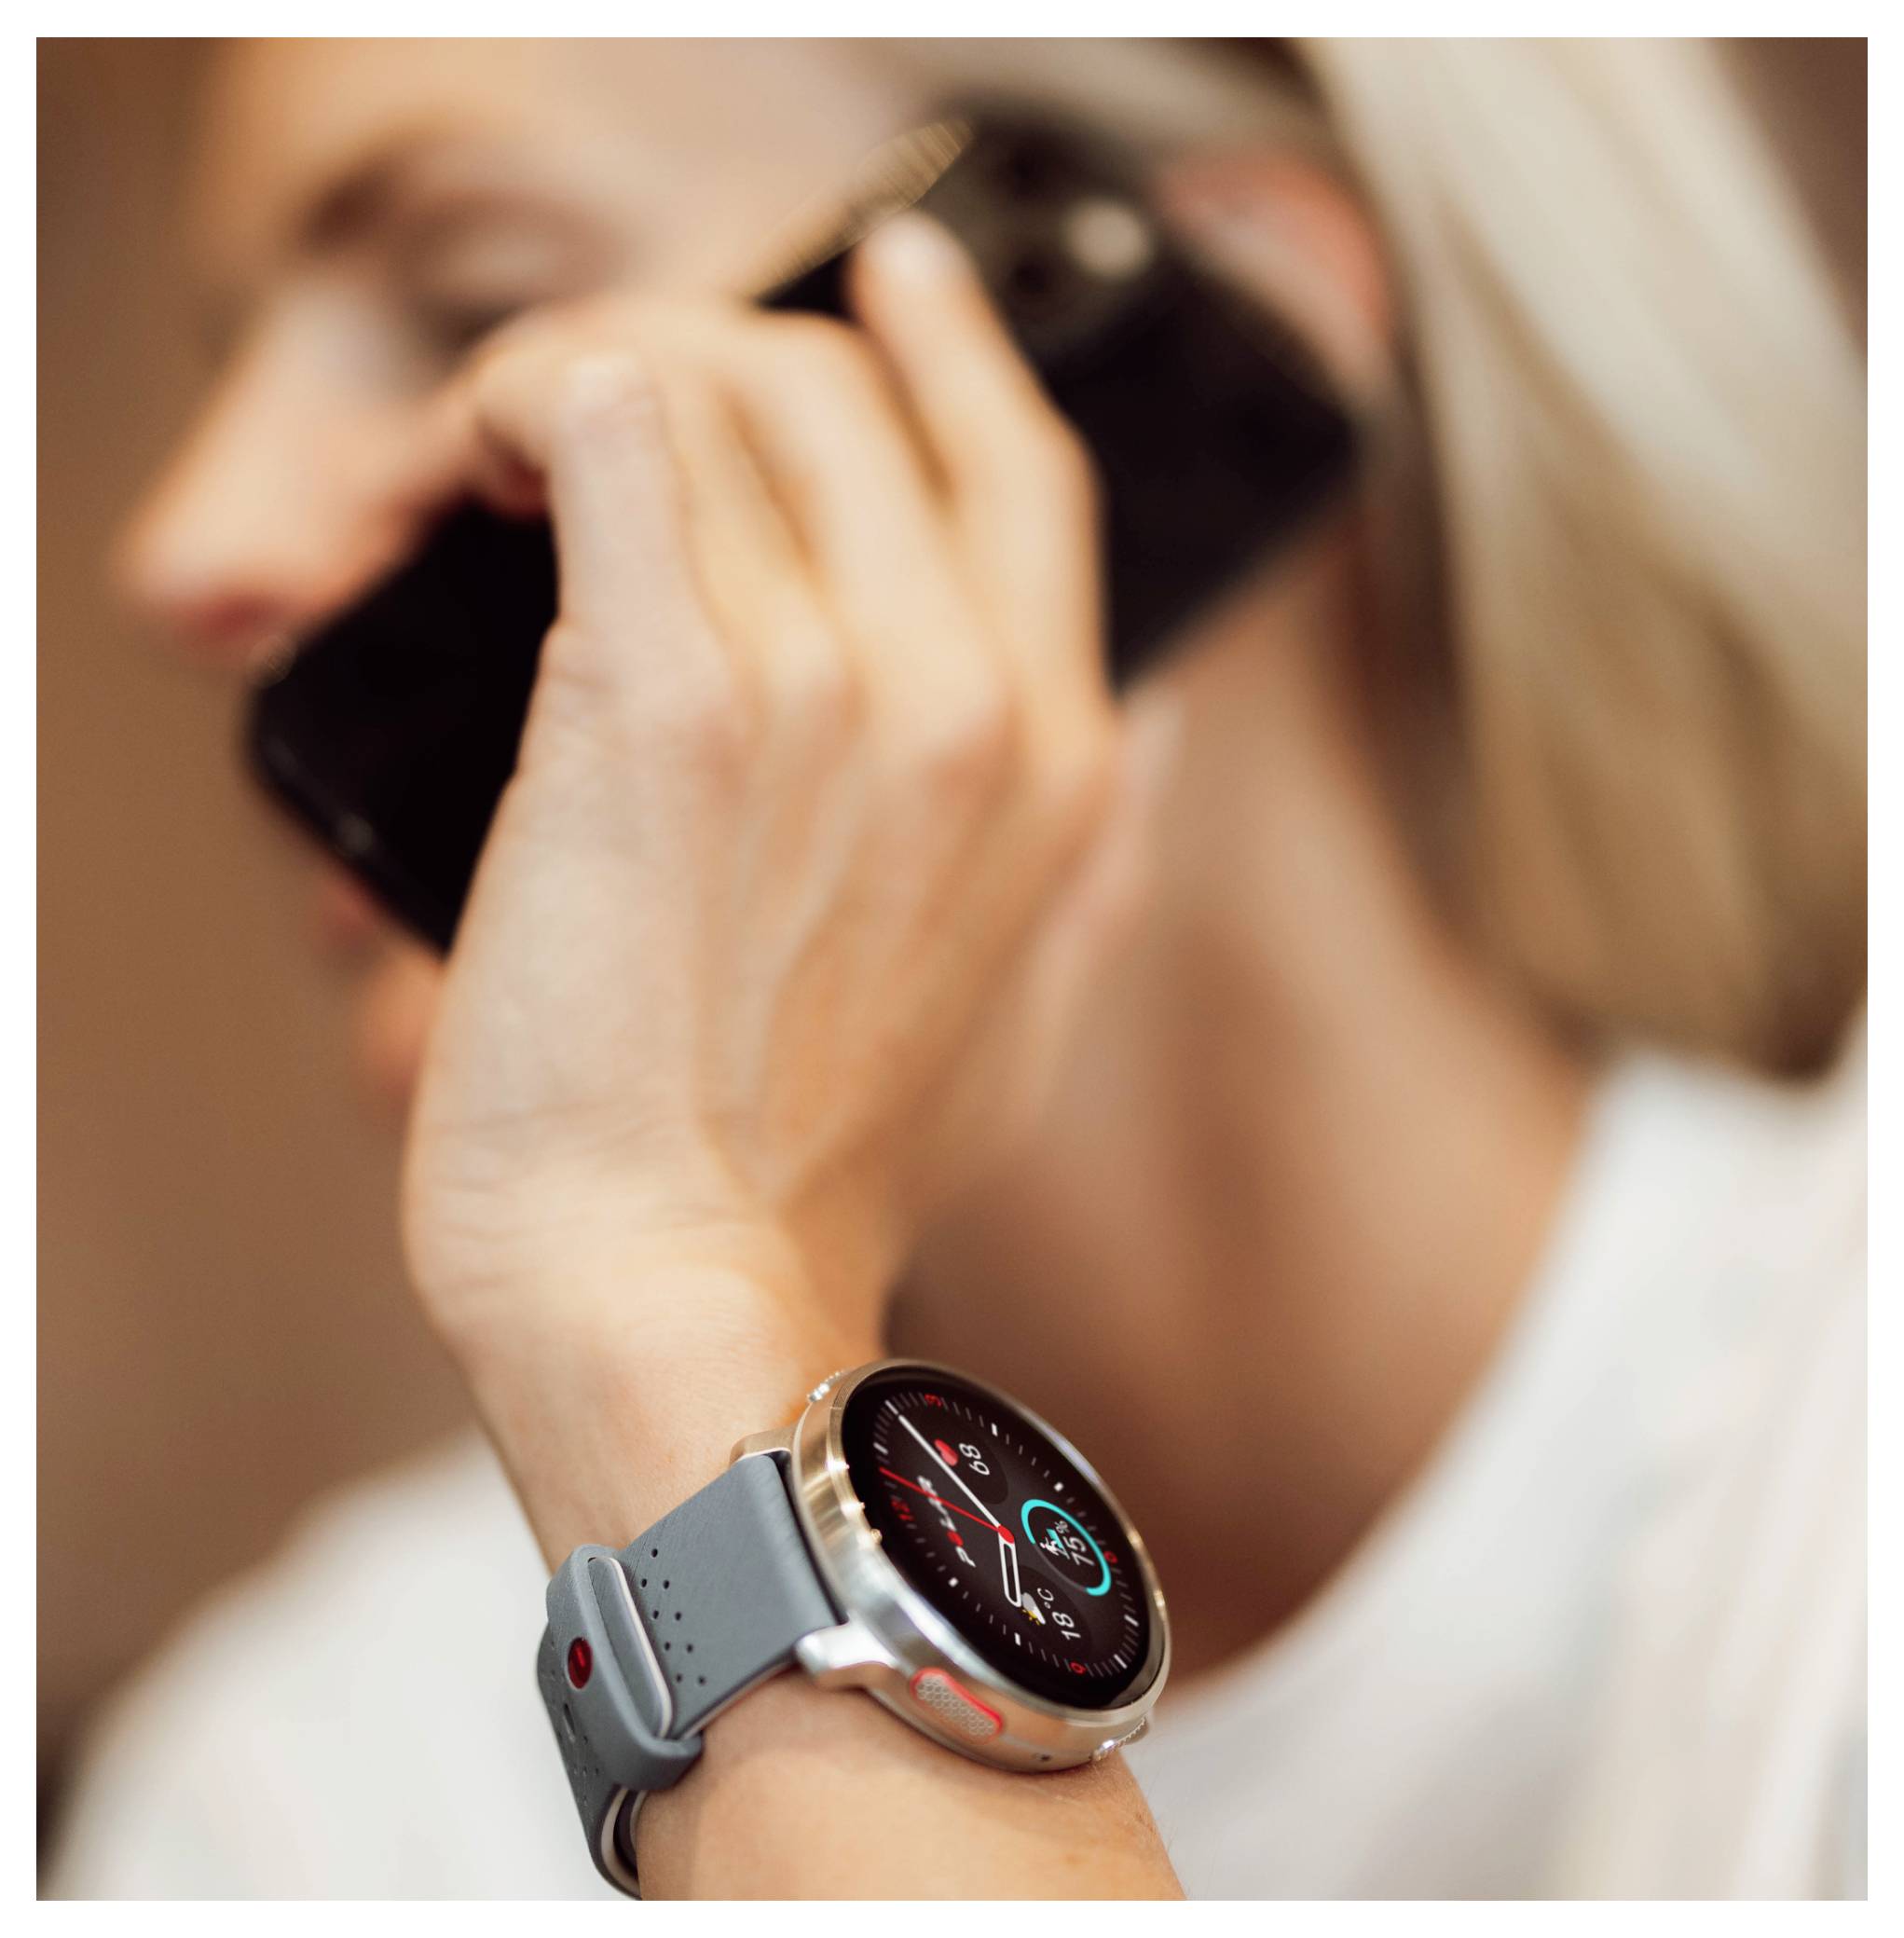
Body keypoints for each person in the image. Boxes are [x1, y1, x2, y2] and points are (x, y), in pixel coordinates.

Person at [47, 36, 1866, 1899]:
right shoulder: (310, 1791)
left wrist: (669, 1276)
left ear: (1152, 355)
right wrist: (655, 1290)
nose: (187, 547)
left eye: (471, 302)